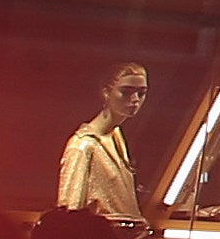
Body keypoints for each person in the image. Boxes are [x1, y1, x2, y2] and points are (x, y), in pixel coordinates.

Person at [55, 62, 152, 229]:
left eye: (141, 93)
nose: (135, 100)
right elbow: (69, 212)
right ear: (106, 91)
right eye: (126, 92)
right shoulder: (83, 146)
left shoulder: (116, 137)